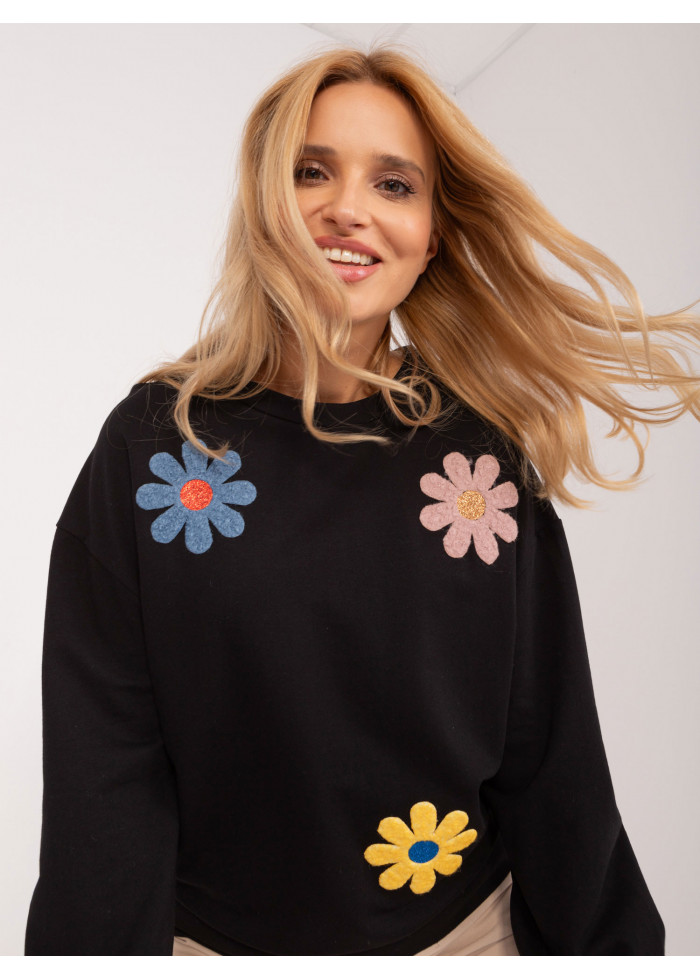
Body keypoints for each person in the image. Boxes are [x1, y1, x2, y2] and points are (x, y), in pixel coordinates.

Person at [24, 45, 699, 956]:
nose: (349, 207)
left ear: (432, 234)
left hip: (461, 938)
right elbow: (102, 768)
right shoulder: (152, 448)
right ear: (265, 202)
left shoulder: (480, 464)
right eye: (312, 171)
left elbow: (553, 755)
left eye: (394, 184)